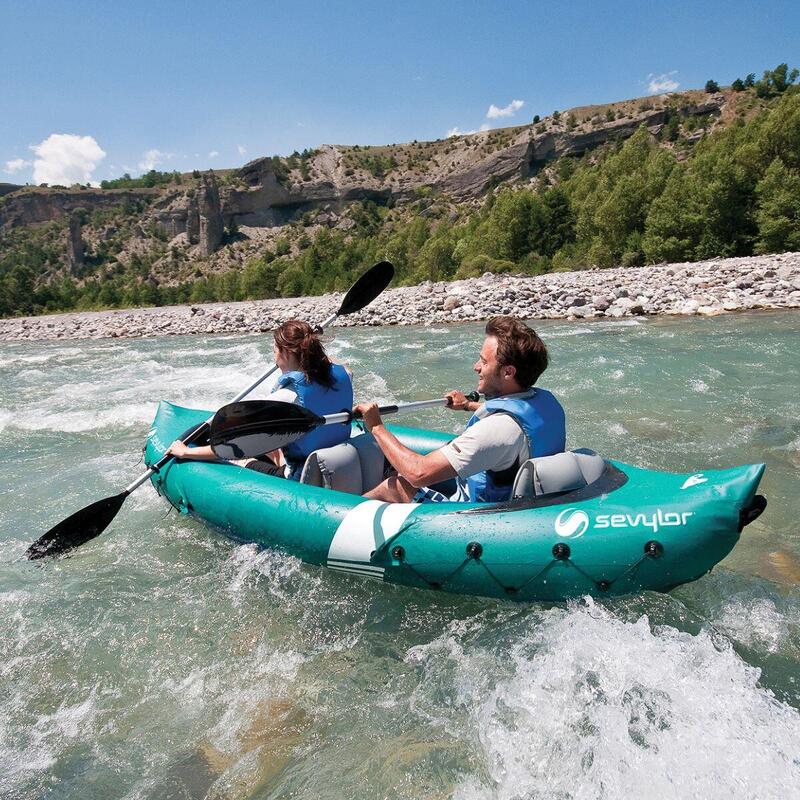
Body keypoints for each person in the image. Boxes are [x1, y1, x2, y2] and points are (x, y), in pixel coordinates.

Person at [355, 316, 565, 503]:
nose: (476, 366)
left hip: (481, 519)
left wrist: (376, 427)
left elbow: (417, 473)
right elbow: (514, 422)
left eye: (483, 361)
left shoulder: (496, 431)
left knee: (395, 486)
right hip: (524, 502)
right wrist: (467, 405)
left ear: (508, 372)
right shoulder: (545, 403)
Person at [167, 320, 353, 479]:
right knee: (275, 443)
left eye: (275, 352)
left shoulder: (285, 398)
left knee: (242, 458)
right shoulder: (344, 374)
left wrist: (186, 452)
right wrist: (311, 345)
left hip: (301, 475)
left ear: (286, 353)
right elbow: (329, 363)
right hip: (336, 460)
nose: (275, 359)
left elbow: (233, 446)